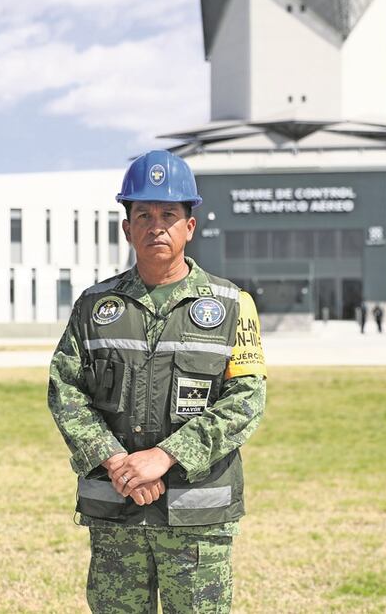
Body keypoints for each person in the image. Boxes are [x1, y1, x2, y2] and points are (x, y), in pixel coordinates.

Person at [48, 149, 268, 613]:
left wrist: (165, 457)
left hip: (196, 518)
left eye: (169, 214)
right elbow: (65, 390)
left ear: (190, 225)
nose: (156, 226)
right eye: (143, 215)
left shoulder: (233, 305)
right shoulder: (93, 306)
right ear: (126, 228)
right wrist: (117, 463)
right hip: (117, 511)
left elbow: (245, 401)